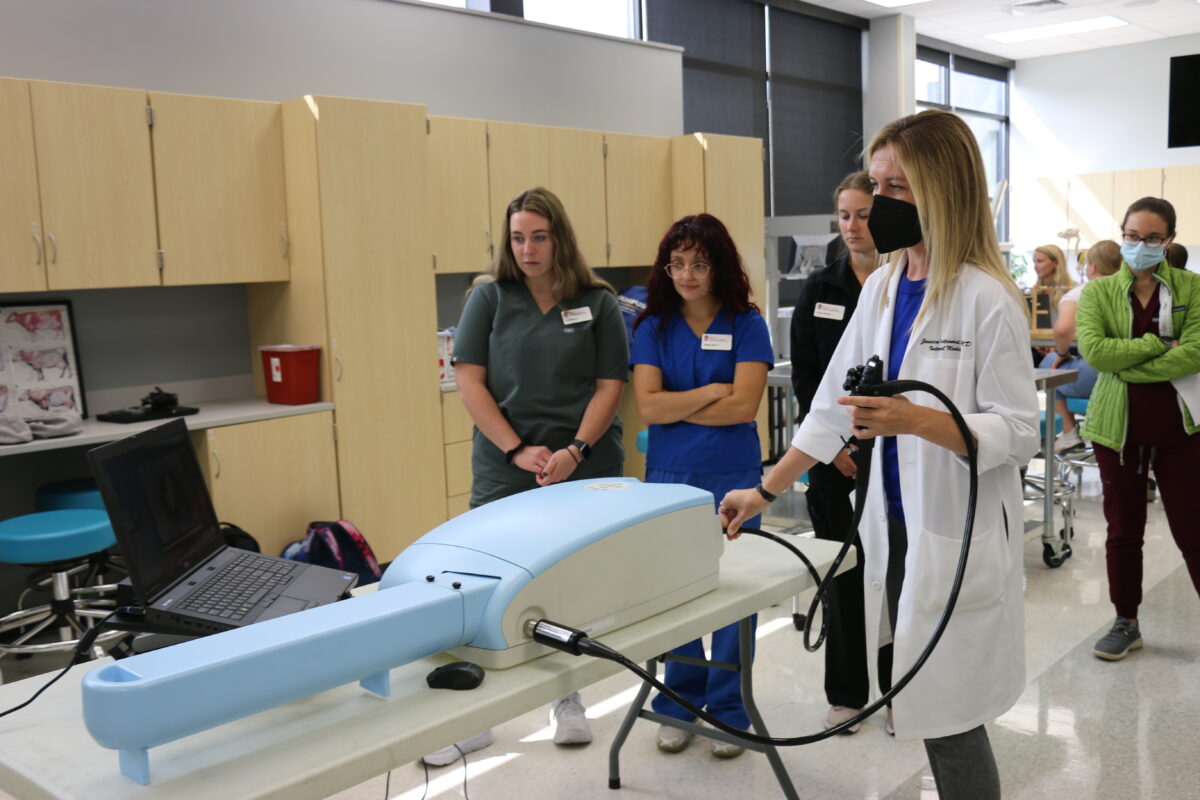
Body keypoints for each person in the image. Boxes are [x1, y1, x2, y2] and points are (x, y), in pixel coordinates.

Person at [720, 109, 1038, 800]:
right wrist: (766, 492)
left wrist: (916, 420)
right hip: (892, 532)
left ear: (942, 191)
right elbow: (832, 407)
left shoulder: (988, 299)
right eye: (878, 183)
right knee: (916, 697)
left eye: (897, 188)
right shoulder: (886, 288)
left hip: (955, 536)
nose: (876, 206)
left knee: (951, 718)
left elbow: (1019, 432)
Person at [432, 186, 628, 764]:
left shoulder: (597, 302)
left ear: (559, 237)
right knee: (485, 586)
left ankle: (566, 699)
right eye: (517, 237)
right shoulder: (488, 298)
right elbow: (469, 381)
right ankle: (480, 714)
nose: (527, 248)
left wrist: (575, 450)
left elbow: (609, 387)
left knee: (563, 583)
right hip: (505, 464)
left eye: (538, 236)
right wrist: (518, 449)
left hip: (583, 464)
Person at [630, 213, 773, 759]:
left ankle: (730, 709)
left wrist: (679, 407)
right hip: (668, 477)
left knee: (735, 594)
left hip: (733, 477)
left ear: (720, 266)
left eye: (699, 263)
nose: (687, 274)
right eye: (678, 263)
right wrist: (713, 389)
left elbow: (745, 406)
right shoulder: (653, 327)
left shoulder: (747, 324)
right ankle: (678, 706)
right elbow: (647, 407)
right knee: (674, 593)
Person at [1075, 196, 1200, 662]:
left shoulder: (1193, 288)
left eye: (1151, 238)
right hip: (1117, 427)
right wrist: (1153, 344)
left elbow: (1196, 352)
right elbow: (1098, 354)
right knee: (1123, 529)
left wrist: (1129, 362)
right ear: (1121, 234)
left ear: (1168, 241)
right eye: (1132, 236)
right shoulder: (1098, 292)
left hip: (1180, 423)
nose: (1140, 245)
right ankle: (1125, 621)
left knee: (1193, 528)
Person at [789, 170, 880, 734]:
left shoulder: (902, 285)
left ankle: (897, 689)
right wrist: (831, 451)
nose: (852, 226)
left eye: (864, 214)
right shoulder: (820, 288)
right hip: (831, 462)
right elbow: (808, 382)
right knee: (842, 575)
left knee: (897, 576)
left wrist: (864, 445)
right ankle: (846, 694)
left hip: (888, 454)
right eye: (844, 215)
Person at [1038, 239, 1121, 451]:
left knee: (1049, 364)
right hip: (1132, 372)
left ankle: (1068, 432)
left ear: (1091, 267)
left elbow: (1063, 329)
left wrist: (1061, 353)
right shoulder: (1136, 289)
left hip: (1099, 374)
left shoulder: (1080, 293)